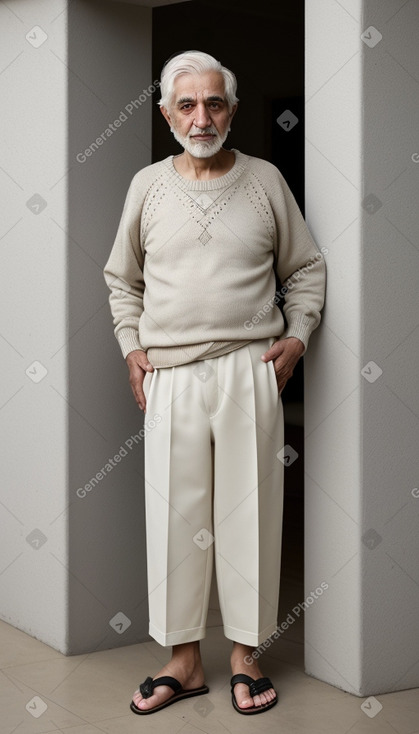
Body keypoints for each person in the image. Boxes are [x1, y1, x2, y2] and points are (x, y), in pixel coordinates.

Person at [104, 50, 326, 716]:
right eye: (187, 104)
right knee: (175, 519)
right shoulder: (146, 185)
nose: (201, 117)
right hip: (169, 373)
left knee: (248, 513)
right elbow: (122, 279)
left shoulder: (264, 181)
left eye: (215, 103)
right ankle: (183, 659)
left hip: (248, 365)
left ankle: (244, 655)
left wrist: (297, 335)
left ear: (230, 108)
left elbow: (306, 268)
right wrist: (131, 347)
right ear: (166, 112)